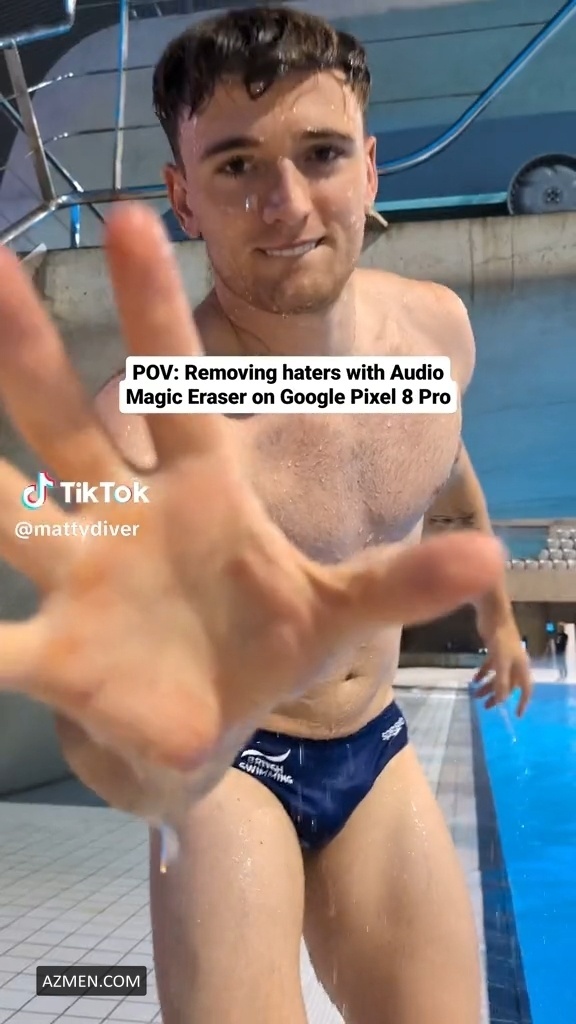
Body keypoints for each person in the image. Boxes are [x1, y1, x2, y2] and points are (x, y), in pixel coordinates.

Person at [0, 7, 532, 1024]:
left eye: (320, 153)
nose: (285, 204)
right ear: (183, 199)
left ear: (369, 169)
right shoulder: (146, 430)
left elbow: (448, 479)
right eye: (237, 165)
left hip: (375, 747)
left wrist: (501, 623)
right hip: (229, 769)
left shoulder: (434, 336)